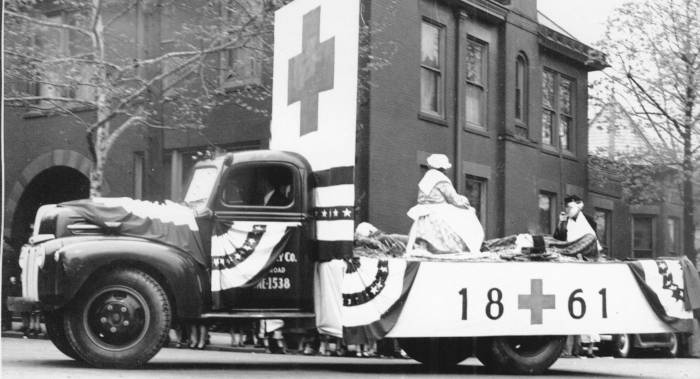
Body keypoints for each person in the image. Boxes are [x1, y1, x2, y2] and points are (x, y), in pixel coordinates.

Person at [406, 154, 484, 254]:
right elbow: (453, 199)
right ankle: (467, 246)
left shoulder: (426, 178)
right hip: (439, 210)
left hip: (425, 212)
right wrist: (465, 202)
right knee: (468, 215)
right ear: (442, 168)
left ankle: (423, 247)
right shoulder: (441, 180)